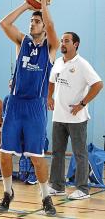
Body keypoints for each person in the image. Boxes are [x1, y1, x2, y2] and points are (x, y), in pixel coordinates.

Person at [0, 0, 60, 216]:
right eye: (31, 21)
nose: (31, 24)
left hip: (35, 105)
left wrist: (42, 4)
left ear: (43, 27)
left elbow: (52, 26)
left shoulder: (51, 47)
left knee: (37, 157)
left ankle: (45, 197)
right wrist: (27, 4)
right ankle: (7, 193)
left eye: (36, 21)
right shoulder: (21, 42)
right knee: (4, 153)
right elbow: (3, 23)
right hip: (14, 104)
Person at [48, 32, 103, 200]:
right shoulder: (57, 62)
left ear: (76, 44)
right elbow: (51, 81)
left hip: (76, 119)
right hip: (59, 116)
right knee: (57, 152)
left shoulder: (82, 64)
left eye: (66, 41)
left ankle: (82, 189)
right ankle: (57, 186)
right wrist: (49, 97)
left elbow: (98, 84)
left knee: (80, 153)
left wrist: (82, 104)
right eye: (62, 41)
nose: (62, 44)